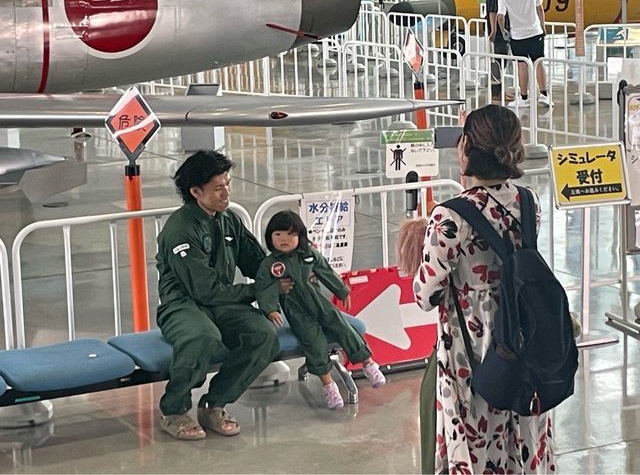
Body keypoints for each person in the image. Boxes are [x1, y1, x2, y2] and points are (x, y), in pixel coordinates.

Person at [413, 105, 555, 473]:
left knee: (476, 434)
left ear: (466, 148)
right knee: (520, 428)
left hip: (471, 348)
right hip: (522, 334)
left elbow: (426, 295)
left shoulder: (448, 217)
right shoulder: (528, 202)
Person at [155, 150, 292, 440]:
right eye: (218, 187)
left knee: (263, 334)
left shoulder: (228, 220)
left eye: (228, 184)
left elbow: (257, 263)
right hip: (183, 305)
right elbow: (204, 290)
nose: (227, 193)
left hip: (222, 302)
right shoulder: (180, 230)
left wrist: (291, 264)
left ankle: (214, 404)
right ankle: (174, 410)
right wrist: (258, 291)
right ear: (195, 192)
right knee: (201, 337)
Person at [254, 210, 386, 410]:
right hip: (297, 312)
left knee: (343, 326)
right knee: (313, 342)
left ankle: (368, 363)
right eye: (278, 234)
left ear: (300, 236)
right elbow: (263, 287)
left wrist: (342, 290)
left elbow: (325, 270)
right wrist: (271, 309)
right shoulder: (270, 264)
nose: (284, 239)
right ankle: (329, 385)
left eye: (290, 234)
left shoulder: (309, 254)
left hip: (321, 304)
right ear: (269, 237)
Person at [497, 0, 553, 108]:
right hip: (535, 32)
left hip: (518, 36)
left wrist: (503, 31)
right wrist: (543, 26)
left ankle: (524, 97)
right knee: (538, 62)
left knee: (522, 65)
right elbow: (540, 8)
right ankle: (544, 95)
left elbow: (500, 17)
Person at [487, 0, 515, 103]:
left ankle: (500, 90)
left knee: (501, 62)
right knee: (498, 63)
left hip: (501, 31)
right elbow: (493, 10)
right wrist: (494, 30)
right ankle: (496, 93)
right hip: (499, 33)